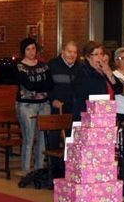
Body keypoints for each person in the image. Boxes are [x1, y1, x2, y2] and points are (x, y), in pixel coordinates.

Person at [15, 37, 53, 175]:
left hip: (43, 104)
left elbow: (50, 84)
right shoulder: (19, 66)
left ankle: (39, 167)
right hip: (26, 105)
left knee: (43, 137)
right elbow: (28, 85)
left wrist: (38, 88)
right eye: (28, 49)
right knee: (29, 137)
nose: (31, 52)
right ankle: (26, 169)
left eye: (33, 49)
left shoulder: (44, 65)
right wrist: (39, 87)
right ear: (23, 51)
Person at [72, 41, 123, 119]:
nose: (100, 57)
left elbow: (119, 90)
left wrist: (110, 74)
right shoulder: (82, 71)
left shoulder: (105, 70)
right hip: (89, 117)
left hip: (106, 114)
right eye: (96, 54)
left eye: (101, 53)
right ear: (88, 57)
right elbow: (84, 94)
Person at [48, 40, 80, 116]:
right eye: (69, 52)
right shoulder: (52, 65)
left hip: (75, 109)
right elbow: (46, 87)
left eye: (75, 52)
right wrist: (52, 100)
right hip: (57, 109)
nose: (72, 55)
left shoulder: (80, 67)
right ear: (62, 52)